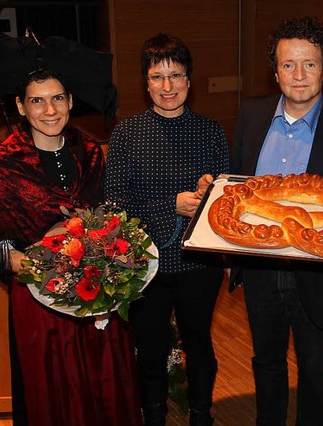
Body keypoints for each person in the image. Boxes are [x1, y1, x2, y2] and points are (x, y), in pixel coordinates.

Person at [231, 16, 323, 426]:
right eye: (289, 64)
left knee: (316, 370)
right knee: (266, 361)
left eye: (309, 64)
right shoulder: (251, 115)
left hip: (318, 275)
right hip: (260, 267)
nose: (299, 75)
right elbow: (240, 192)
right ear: (274, 72)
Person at [0, 68, 143, 426]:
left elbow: (111, 219)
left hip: (97, 293)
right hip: (40, 306)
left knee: (105, 388)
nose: (49, 110)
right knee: (55, 397)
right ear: (21, 107)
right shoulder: (3, 166)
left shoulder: (91, 152)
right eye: (37, 100)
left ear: (69, 101)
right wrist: (50, 270)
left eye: (57, 98)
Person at [104, 33, 229, 426]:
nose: (168, 86)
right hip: (145, 265)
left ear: (189, 80)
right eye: (158, 77)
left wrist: (212, 193)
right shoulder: (126, 134)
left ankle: (201, 415)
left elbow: (227, 206)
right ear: (146, 83)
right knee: (151, 348)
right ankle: (153, 416)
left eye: (176, 76)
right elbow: (114, 207)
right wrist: (170, 206)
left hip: (198, 264)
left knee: (199, 343)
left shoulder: (211, 131)